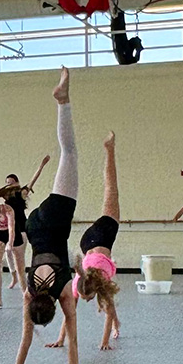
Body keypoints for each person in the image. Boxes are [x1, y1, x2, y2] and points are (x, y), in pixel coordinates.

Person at [4, 68, 85, 364]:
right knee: (68, 157)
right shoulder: (28, 293)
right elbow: (24, 340)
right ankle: (62, 102)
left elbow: (74, 341)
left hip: (53, 221)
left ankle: (62, 102)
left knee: (70, 152)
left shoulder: (64, 292)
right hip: (35, 226)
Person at [49, 132, 122, 352]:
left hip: (101, 235)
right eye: (84, 297)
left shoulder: (100, 279)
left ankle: (110, 149)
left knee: (111, 189)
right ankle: (109, 149)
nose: (87, 301)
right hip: (89, 241)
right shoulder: (82, 282)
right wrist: (60, 340)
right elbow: (69, 313)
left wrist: (105, 342)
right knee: (110, 190)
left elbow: (106, 313)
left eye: (87, 298)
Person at [0, 155, 50, 288]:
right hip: (10, 228)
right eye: (7, 182)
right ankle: (14, 276)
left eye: (11, 182)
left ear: (16, 183)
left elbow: (34, 179)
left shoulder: (22, 193)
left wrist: (42, 166)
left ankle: (25, 279)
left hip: (21, 228)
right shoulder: (5, 195)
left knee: (18, 256)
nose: (8, 184)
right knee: (7, 252)